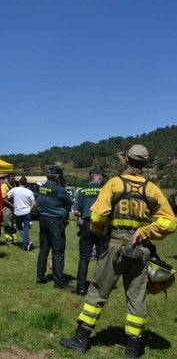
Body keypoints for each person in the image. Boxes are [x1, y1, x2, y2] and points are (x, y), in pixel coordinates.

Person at [60, 145, 177, 358]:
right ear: (145, 164)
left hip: (115, 247)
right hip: (141, 251)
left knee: (97, 291)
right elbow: (170, 223)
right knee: (137, 297)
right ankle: (133, 347)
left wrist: (101, 233)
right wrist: (145, 231)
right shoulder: (152, 189)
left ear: (126, 160)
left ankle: (81, 339)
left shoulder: (114, 184)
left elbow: (96, 218)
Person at [70, 168, 109, 296]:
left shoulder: (81, 191)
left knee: (84, 258)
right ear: (98, 177)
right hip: (101, 225)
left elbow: (76, 211)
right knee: (101, 258)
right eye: (102, 177)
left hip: (86, 225)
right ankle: (100, 288)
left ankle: (80, 288)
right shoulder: (104, 190)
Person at [36, 166, 73, 289]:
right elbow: (70, 200)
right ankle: (58, 282)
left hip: (43, 220)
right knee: (58, 251)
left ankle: (40, 277)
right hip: (55, 222)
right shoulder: (60, 190)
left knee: (44, 250)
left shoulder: (43, 187)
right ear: (57, 177)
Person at [7, 176, 36, 251]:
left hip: (18, 212)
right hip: (27, 212)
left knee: (20, 228)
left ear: (19, 182)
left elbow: (5, 196)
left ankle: (26, 243)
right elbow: (34, 203)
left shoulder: (14, 190)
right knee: (26, 229)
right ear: (26, 184)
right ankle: (26, 242)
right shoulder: (29, 192)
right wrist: (31, 209)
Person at [1, 173, 21, 246]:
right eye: (11, 179)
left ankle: (14, 239)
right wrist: (11, 205)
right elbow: (3, 198)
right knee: (8, 224)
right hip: (7, 208)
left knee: (14, 223)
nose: (13, 180)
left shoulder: (15, 186)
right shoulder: (4, 186)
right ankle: (8, 241)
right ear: (8, 178)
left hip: (14, 207)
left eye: (13, 178)